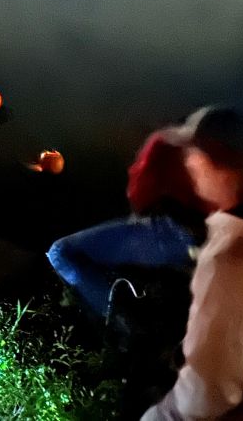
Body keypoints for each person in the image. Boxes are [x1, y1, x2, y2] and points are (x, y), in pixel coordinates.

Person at [142, 105, 243, 420]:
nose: (189, 163)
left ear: (218, 164)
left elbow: (204, 399)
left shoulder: (237, 258)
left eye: (194, 154)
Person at [47, 129, 212, 320]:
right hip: (176, 238)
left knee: (60, 252)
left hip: (168, 234)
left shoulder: (168, 151)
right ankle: (119, 322)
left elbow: (142, 194)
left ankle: (118, 324)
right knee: (64, 253)